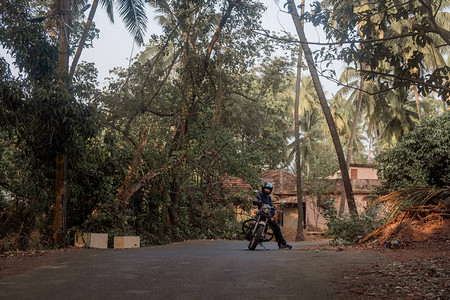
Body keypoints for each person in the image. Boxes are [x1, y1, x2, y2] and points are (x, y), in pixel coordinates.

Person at [254, 181, 293, 250]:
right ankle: (252, 230)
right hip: (260, 214)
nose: (267, 190)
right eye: (266, 189)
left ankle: (282, 243)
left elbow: (271, 206)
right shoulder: (259, 196)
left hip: (267, 216)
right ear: (263, 188)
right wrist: (255, 201)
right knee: (253, 221)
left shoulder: (269, 198)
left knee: (276, 227)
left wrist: (272, 213)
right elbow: (255, 201)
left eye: (269, 189)